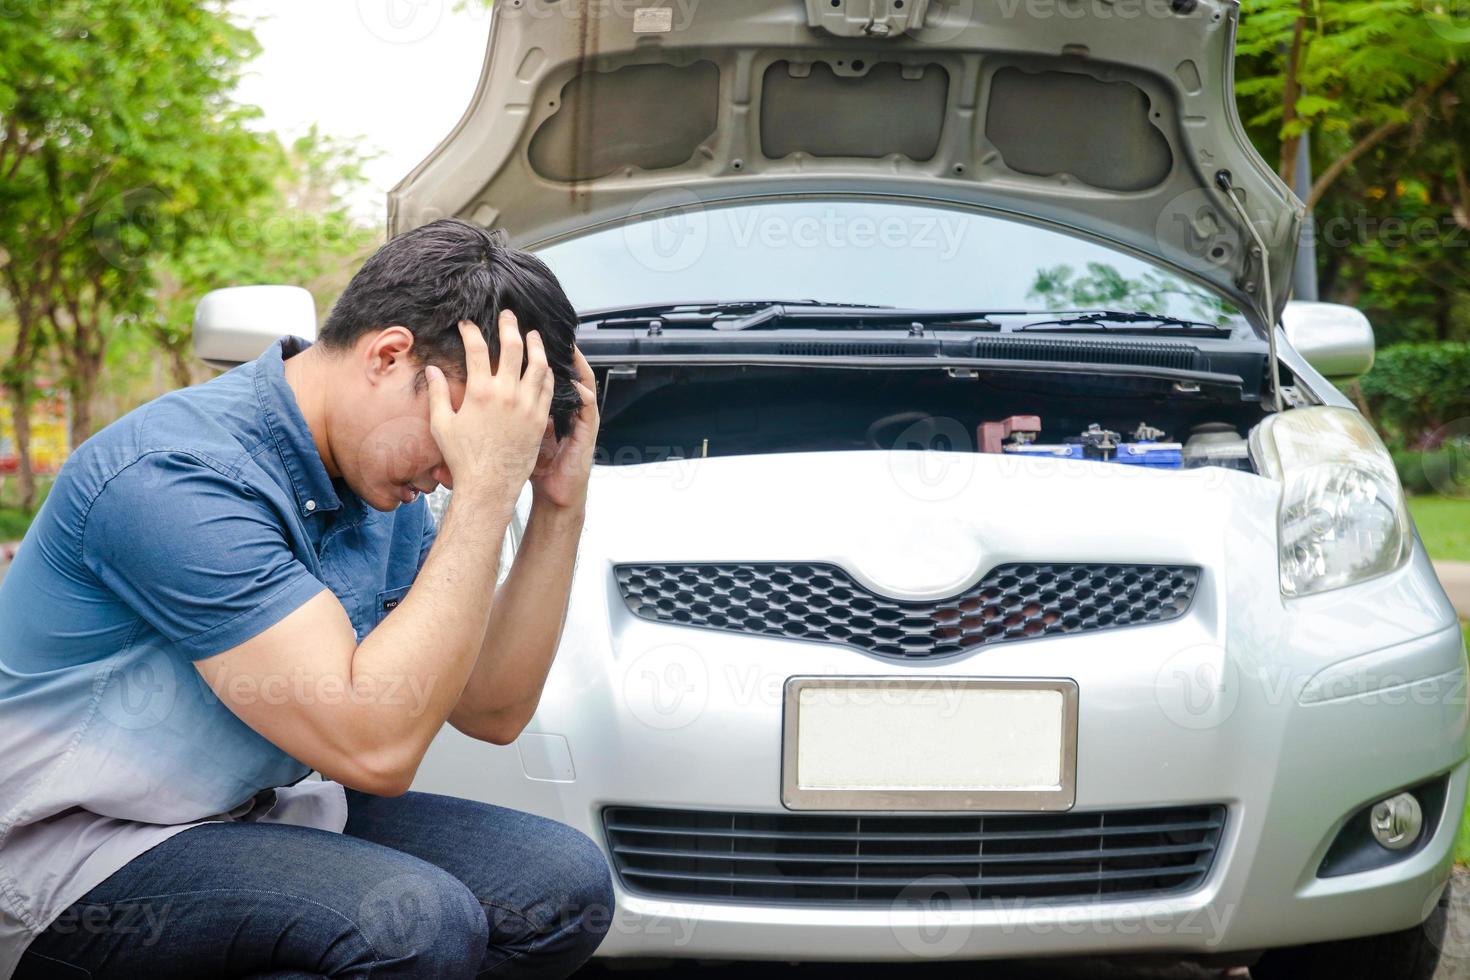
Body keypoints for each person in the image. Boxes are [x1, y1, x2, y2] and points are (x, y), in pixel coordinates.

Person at [0, 218, 613, 979]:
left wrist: (557, 504)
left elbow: (492, 709)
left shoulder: (374, 486)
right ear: (388, 357)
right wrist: (487, 489)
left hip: (254, 815)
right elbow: (375, 750)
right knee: (411, 922)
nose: (457, 468)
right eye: (459, 432)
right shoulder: (174, 477)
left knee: (561, 890)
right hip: (72, 852)